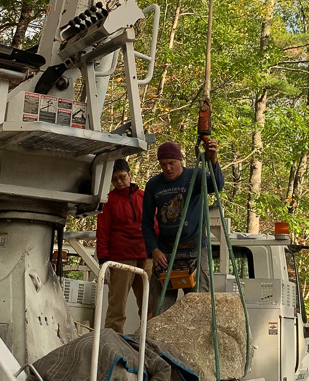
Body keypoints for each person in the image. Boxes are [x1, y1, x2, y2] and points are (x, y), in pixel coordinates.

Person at [141, 139, 224, 313]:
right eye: (163, 164)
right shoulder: (153, 185)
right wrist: (153, 250)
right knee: (160, 309)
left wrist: (213, 161)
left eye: (172, 163)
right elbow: (146, 223)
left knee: (199, 306)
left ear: (180, 161)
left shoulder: (196, 176)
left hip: (195, 250)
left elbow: (217, 185)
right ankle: (160, 340)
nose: (168, 168)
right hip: (166, 253)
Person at [96, 158, 151, 334]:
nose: (119, 182)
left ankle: (148, 338)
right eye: (115, 180)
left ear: (130, 174)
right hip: (121, 257)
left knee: (149, 304)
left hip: (146, 255)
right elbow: (103, 230)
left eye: (122, 177)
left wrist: (157, 248)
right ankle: (112, 339)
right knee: (117, 305)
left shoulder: (144, 197)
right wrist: (103, 256)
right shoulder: (109, 200)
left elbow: (154, 224)